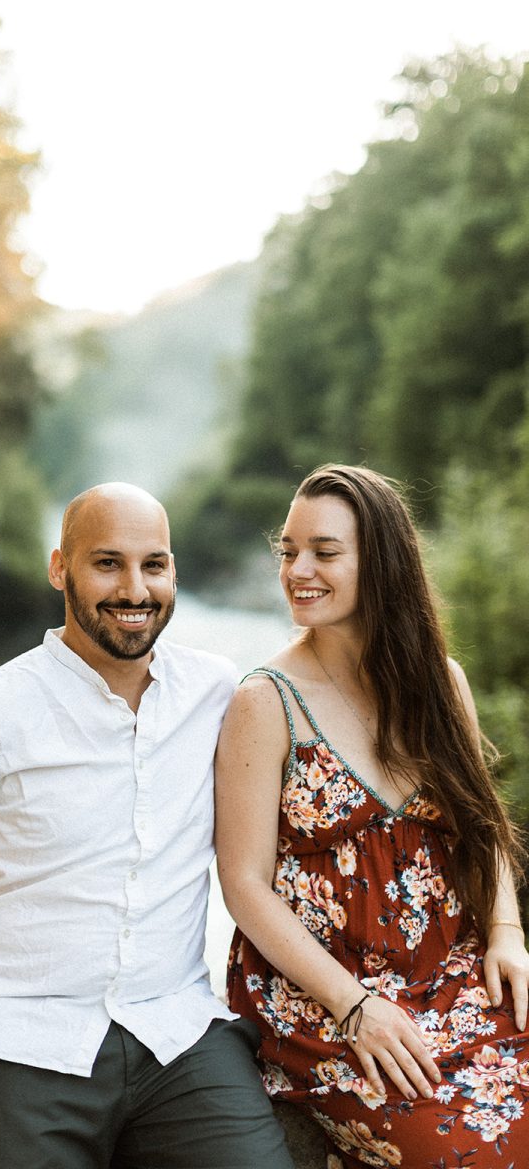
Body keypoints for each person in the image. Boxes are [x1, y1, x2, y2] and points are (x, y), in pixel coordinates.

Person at [0, 482, 293, 1169]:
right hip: (21, 1043)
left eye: (154, 565)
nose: (135, 589)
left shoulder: (216, 691)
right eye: (107, 563)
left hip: (178, 1036)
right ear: (60, 569)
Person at [216, 463, 529, 1168]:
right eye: (288, 550)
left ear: (381, 562)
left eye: (324, 552)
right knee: (466, 1148)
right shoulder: (264, 702)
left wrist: (506, 934)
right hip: (324, 998)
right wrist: (354, 1006)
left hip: (454, 974)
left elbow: (482, 828)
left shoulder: (440, 681)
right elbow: (242, 884)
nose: (298, 569)